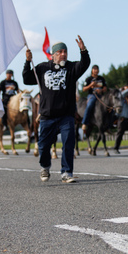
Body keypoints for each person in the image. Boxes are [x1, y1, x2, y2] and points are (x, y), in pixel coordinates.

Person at [23, 37, 90, 183]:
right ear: (53, 55)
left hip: (66, 115)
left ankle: (66, 172)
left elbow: (85, 64)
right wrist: (28, 61)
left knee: (68, 143)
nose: (63, 54)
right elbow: (27, 79)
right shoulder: (42, 68)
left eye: (65, 51)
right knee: (43, 145)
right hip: (48, 116)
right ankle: (45, 167)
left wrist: (83, 50)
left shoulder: (71, 68)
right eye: (60, 52)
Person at [81, 65, 107, 132]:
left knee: (108, 105)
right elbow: (84, 89)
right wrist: (90, 85)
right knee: (89, 105)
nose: (96, 70)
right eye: (94, 69)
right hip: (92, 95)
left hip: (101, 96)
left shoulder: (101, 78)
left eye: (97, 69)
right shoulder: (88, 79)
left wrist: (101, 90)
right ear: (92, 70)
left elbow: (105, 88)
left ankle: (109, 123)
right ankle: (85, 122)